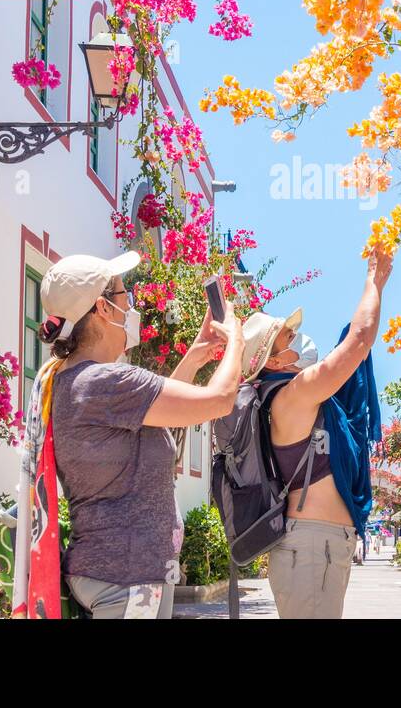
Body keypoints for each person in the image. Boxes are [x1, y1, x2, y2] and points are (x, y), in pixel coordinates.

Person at [36, 252, 244, 619]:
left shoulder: (76, 380)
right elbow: (220, 400)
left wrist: (195, 356)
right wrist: (237, 341)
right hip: (126, 577)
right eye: (123, 294)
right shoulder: (108, 381)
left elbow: (160, 416)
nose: (130, 304)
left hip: (110, 572)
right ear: (103, 308)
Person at [241, 247, 392, 619]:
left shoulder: (299, 397)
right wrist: (374, 280)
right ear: (273, 363)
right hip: (309, 546)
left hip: (319, 545)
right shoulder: (289, 397)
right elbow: (357, 343)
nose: (296, 335)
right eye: (285, 336)